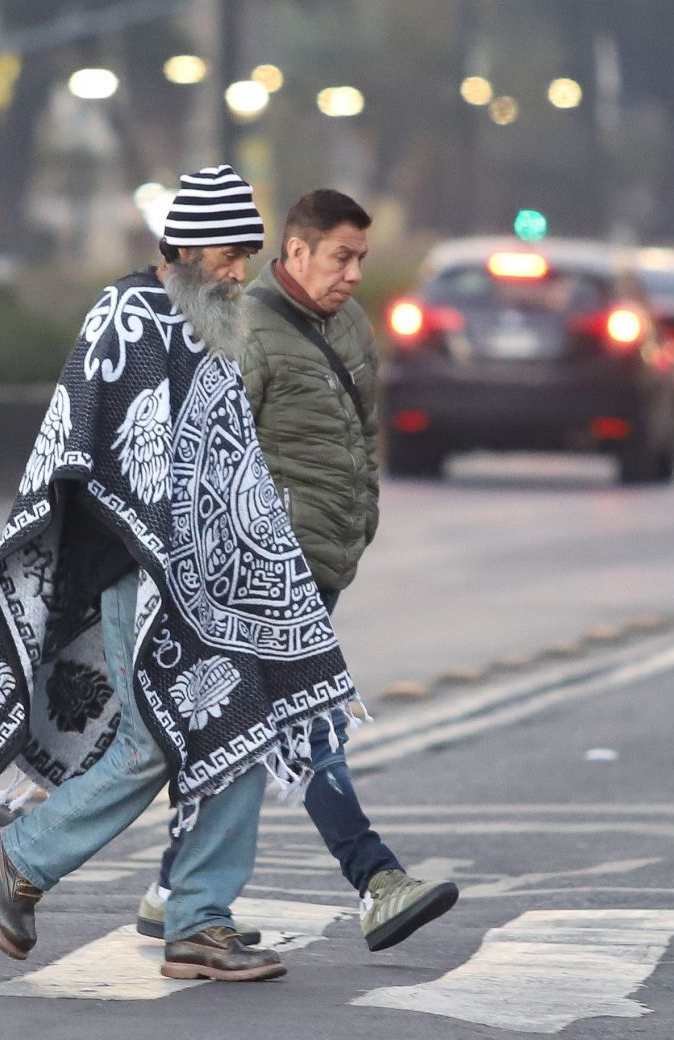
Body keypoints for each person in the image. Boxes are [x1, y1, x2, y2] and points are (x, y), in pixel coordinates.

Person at [0, 167, 361, 983]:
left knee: (239, 731)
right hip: (136, 569)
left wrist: (256, 558)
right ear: (185, 247)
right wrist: (164, 545)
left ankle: (200, 922)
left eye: (247, 256)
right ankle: (17, 857)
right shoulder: (127, 314)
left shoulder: (213, 325)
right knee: (153, 743)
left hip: (213, 583)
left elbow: (228, 461)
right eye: (230, 255)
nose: (240, 272)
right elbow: (90, 447)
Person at [134, 189, 458, 951]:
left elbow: (363, 432)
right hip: (265, 572)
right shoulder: (246, 328)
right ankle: (377, 882)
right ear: (298, 251)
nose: (353, 274)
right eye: (340, 257)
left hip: (327, 558)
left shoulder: (349, 324)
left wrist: (363, 516)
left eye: (361, 259)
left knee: (246, 730)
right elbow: (209, 453)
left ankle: (170, 890)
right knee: (309, 724)